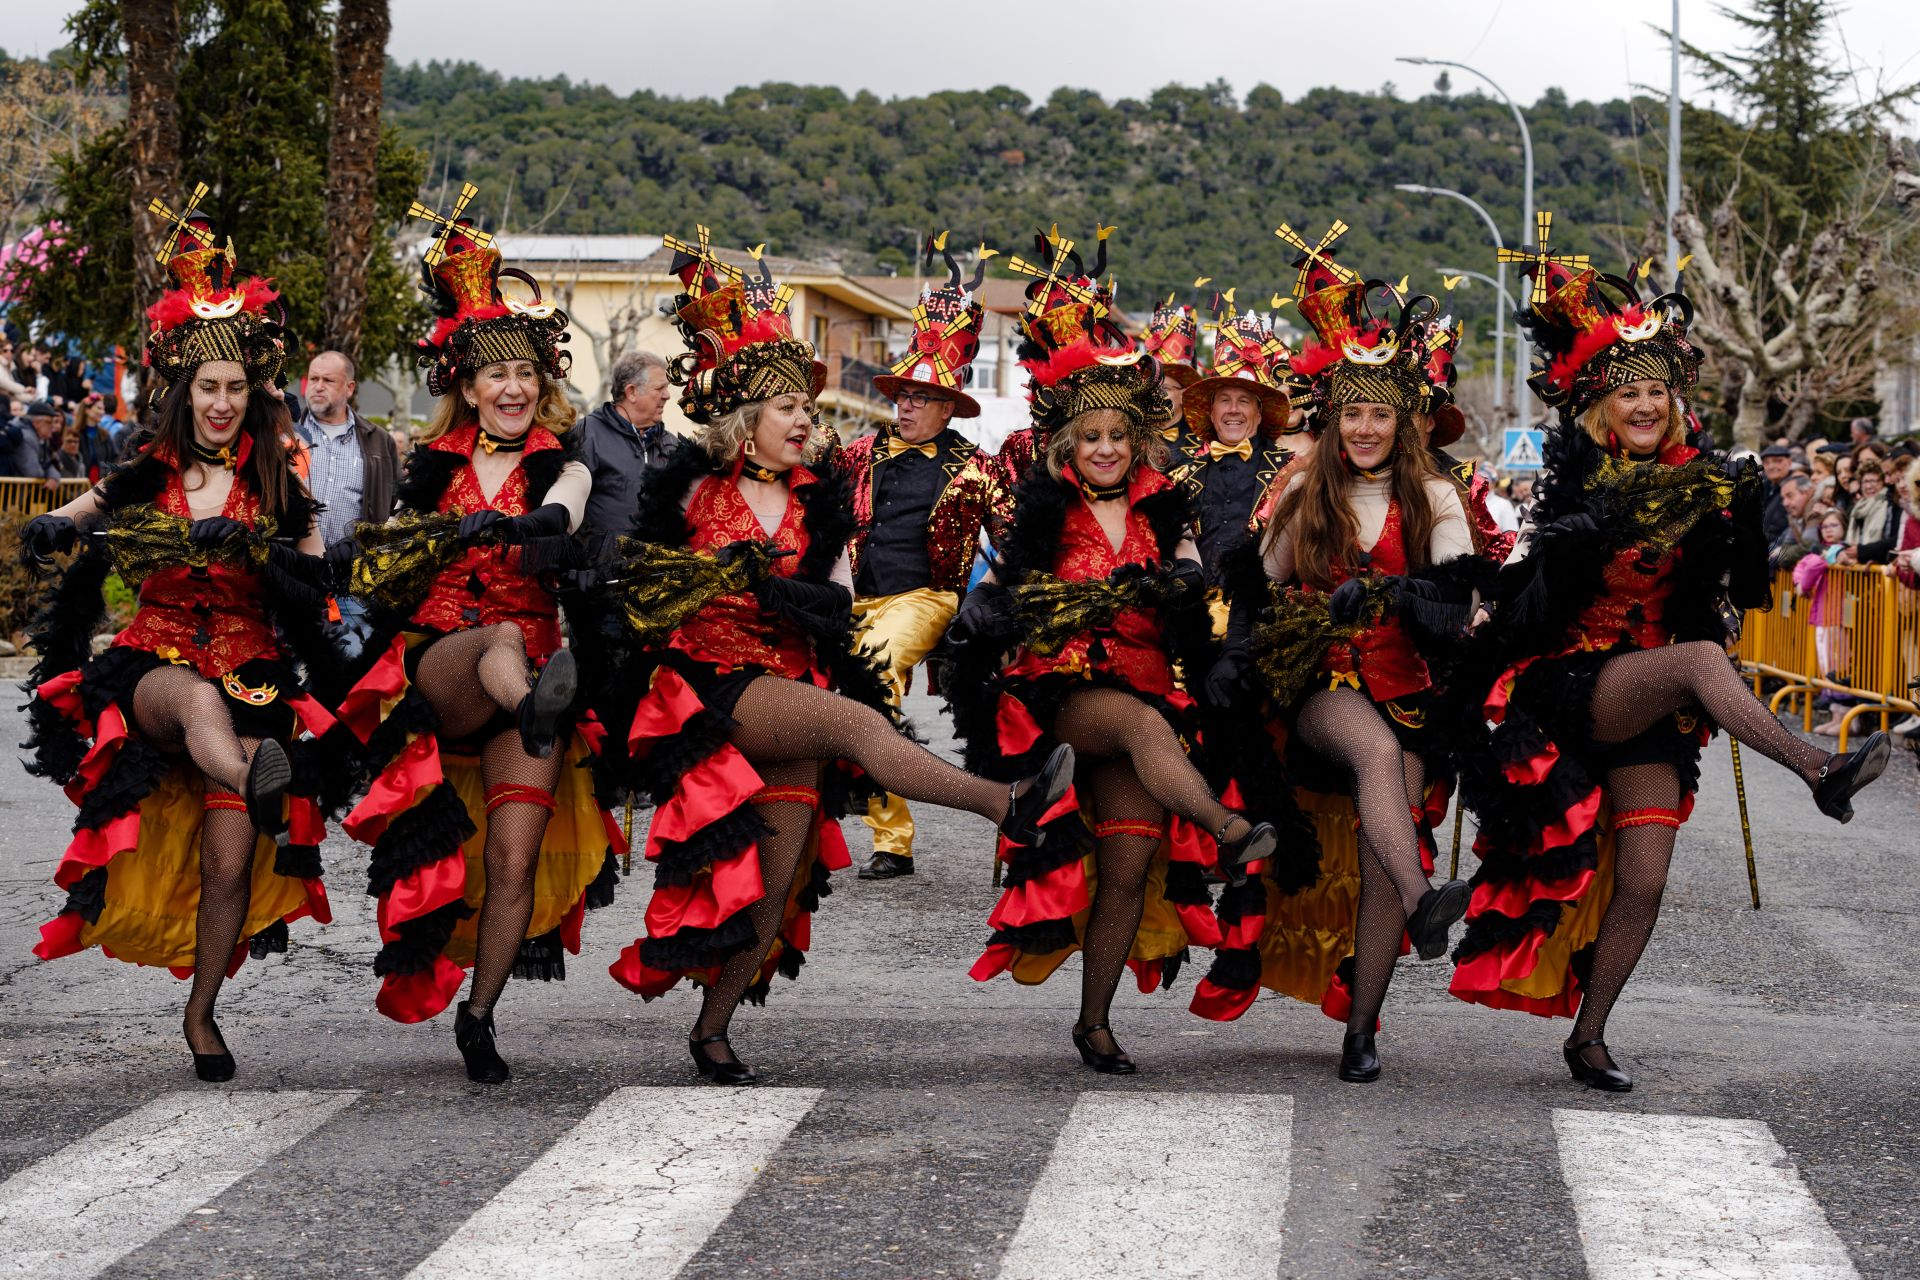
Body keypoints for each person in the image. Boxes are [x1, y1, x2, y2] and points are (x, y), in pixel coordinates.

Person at [601, 230, 1074, 1084]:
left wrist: (779, 592)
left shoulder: (819, 505)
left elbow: (837, 603)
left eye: (811, 415)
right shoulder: (690, 488)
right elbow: (640, 590)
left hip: (790, 687)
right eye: (794, 412)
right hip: (714, 690)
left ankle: (712, 1031)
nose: (808, 425)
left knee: (775, 886)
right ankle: (1007, 805)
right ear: (751, 417)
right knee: (860, 722)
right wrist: (714, 579)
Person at [1450, 214, 1891, 1092]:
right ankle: (1816, 769)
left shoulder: (1705, 479)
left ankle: (1590, 1036)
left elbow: (1739, 602)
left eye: (1659, 393)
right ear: (1601, 405)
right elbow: (1532, 608)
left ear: (1676, 402)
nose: (1646, 406)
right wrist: (1581, 536)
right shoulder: (1573, 485)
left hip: (1656, 703)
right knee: (1692, 660)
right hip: (1575, 684)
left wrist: (1746, 521)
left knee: (1646, 878)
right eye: (1628, 394)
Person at [943, 230, 1279, 1076]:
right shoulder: (1043, 511)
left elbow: (1191, 586)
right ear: (1066, 444)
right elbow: (1010, 595)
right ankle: (1228, 828)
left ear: (1137, 447)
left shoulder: (1168, 515)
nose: (1103, 449)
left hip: (1141, 701)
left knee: (1130, 859)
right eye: (1089, 436)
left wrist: (1181, 589)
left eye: (1117, 439)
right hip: (1065, 697)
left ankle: (1094, 1023)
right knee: (1136, 722)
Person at [16, 203, 334, 1082]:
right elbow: (82, 512)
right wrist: (53, 529)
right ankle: (254, 779)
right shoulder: (148, 473)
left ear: (252, 393)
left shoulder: (281, 484)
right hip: (156, 666)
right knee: (195, 699)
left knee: (229, 865)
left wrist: (262, 556)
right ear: (183, 394)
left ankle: (202, 1018)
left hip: (254, 673)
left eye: (235, 388)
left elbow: (319, 584)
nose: (222, 403)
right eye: (207, 388)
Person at [331, 204, 618, 1083]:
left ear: (543, 381)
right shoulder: (428, 464)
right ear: (466, 381)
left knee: (513, 853)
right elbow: (393, 557)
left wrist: (536, 520)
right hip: (444, 669)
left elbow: (568, 504)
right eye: (495, 374)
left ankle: (482, 1013)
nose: (512, 387)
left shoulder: (562, 461)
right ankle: (537, 706)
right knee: (493, 632)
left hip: (524, 686)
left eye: (525, 372)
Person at [1211, 241, 1479, 1084]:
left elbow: (1455, 610)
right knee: (1370, 751)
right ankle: (1425, 895)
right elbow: (1260, 588)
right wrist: (1238, 662)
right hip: (1320, 689)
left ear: (1404, 421)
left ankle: (1362, 1027)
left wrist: (1396, 601)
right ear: (1332, 420)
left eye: (1380, 415)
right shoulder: (1303, 490)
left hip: (1408, 691)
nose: (1364, 429)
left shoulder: (1436, 497)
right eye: (1350, 415)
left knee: (1385, 815)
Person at [838, 234, 1003, 880]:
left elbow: (1015, 541)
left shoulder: (977, 468)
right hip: (858, 597)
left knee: (872, 672)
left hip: (928, 598)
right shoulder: (858, 453)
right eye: (902, 394)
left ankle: (892, 840)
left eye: (920, 397)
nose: (905, 404)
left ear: (947, 407)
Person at [1173, 292, 1299, 590]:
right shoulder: (1179, 472)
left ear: (1259, 413)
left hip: (1260, 619)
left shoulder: (1292, 472)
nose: (1233, 410)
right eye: (1224, 400)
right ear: (1212, 412)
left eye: (1244, 401)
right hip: (1193, 616)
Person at [295, 350, 399, 547]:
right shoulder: (286, 433)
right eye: (313, 379)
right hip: (289, 563)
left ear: (349, 388)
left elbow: (393, 502)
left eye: (328, 381)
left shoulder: (380, 441)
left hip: (351, 569)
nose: (318, 387)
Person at [576, 348, 673, 536]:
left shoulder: (672, 445)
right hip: (598, 563)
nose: (667, 395)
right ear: (632, 392)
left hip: (658, 564)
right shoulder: (587, 434)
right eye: (660, 388)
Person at [1139, 286, 1205, 471]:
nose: (1155, 396)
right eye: (1150, 389)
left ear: (1184, 395)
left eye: (1163, 390)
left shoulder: (1205, 445)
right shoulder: (1130, 439)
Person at [3, 398, 62, 485]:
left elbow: (47, 463)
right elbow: (33, 472)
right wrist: (48, 474)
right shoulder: (26, 437)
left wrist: (53, 476)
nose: (52, 427)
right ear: (36, 423)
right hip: (11, 492)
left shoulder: (40, 438)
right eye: (49, 422)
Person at [1770, 473, 1820, 569]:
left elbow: (1808, 547)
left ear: (1807, 493)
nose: (1785, 503)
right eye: (1783, 498)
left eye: (1790, 496)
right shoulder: (1795, 517)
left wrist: (1777, 558)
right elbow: (1787, 546)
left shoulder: (1816, 510)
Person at [1759, 444, 1793, 542]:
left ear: (1790, 462)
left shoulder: (1795, 488)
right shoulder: (1763, 488)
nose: (1771, 466)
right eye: (1766, 462)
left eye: (1778, 461)